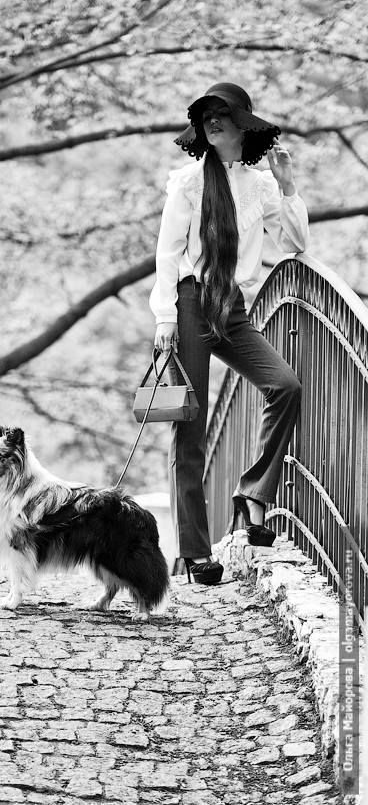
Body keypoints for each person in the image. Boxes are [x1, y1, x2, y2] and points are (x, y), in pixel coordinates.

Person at [150, 82, 309, 585]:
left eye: (222, 114)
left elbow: (294, 245)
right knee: (191, 429)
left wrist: (287, 187)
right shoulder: (188, 182)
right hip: (193, 302)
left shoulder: (259, 185)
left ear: (243, 125)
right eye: (206, 115)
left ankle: (253, 493)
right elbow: (168, 252)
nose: (212, 121)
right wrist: (165, 319)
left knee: (284, 386)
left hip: (233, 308)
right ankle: (196, 554)